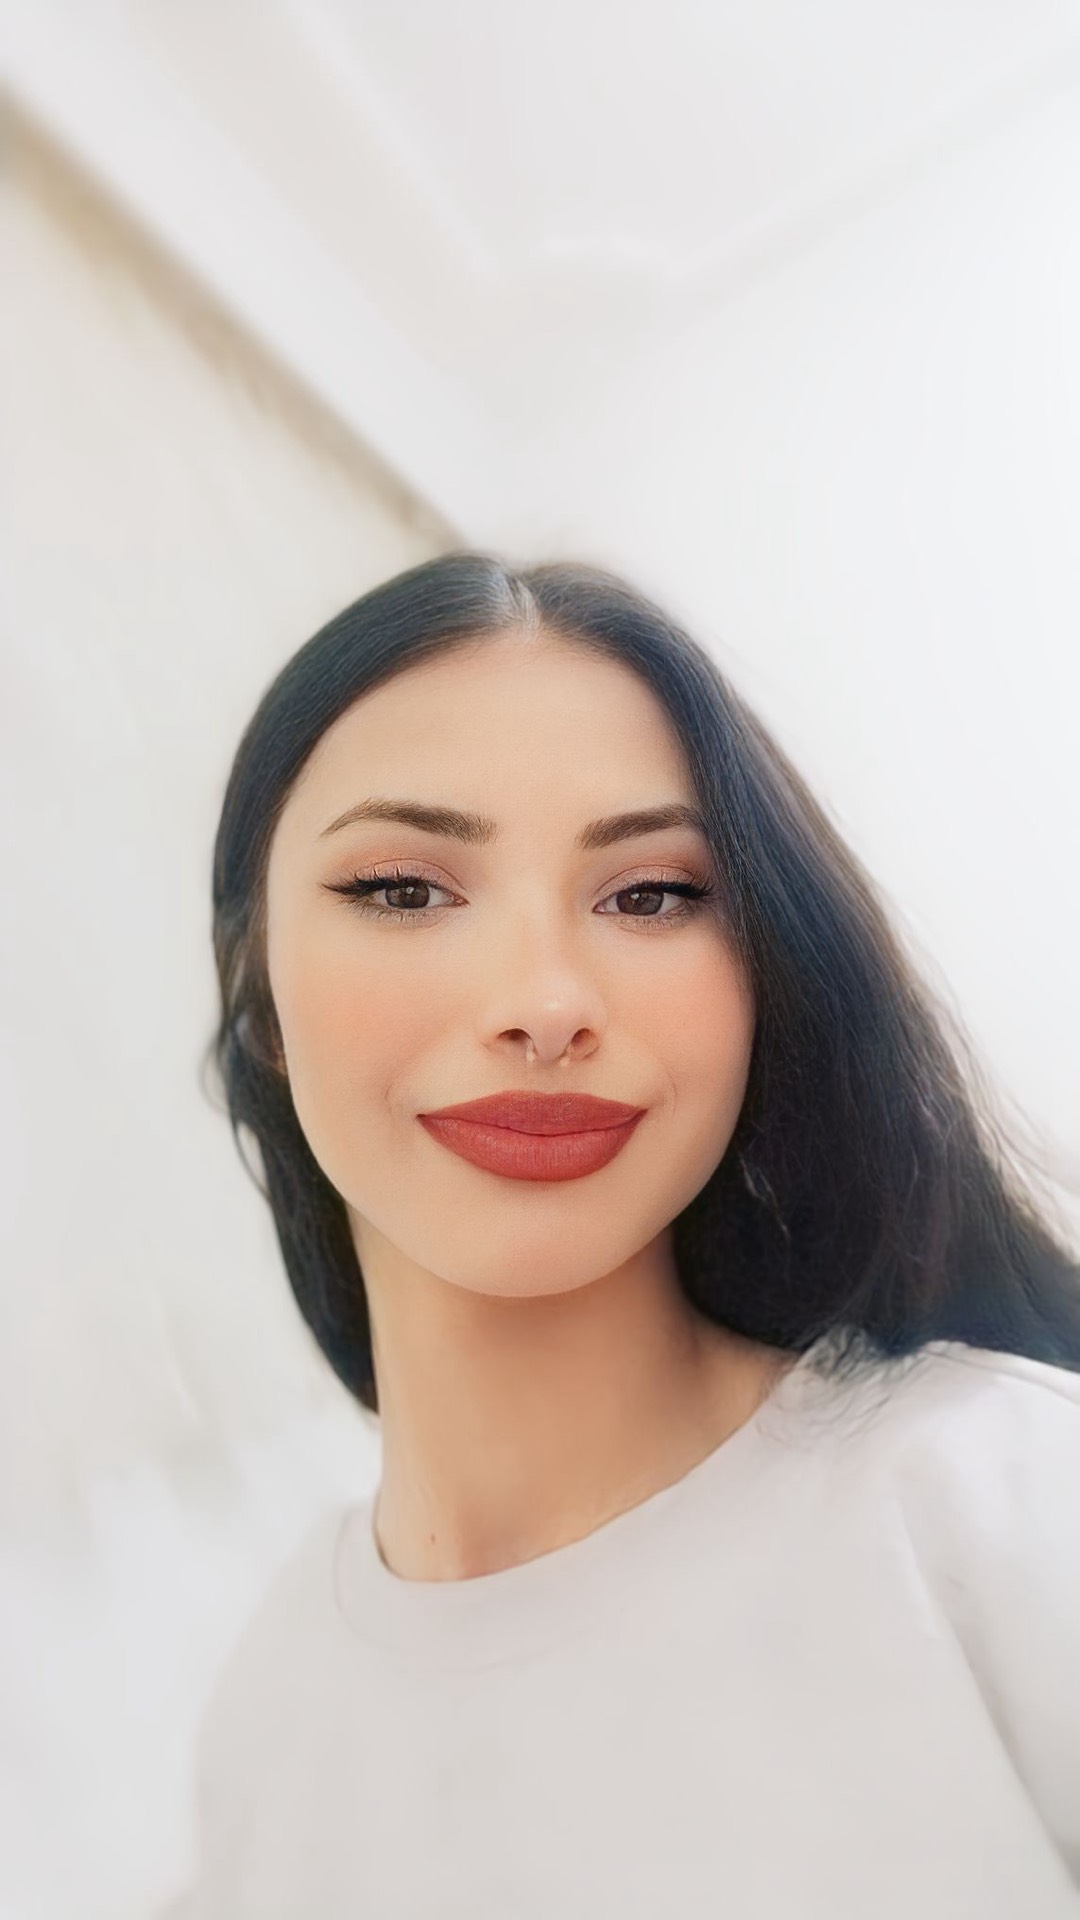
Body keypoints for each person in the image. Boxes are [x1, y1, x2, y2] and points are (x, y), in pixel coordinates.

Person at [161, 552, 1080, 1917]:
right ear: (258, 994)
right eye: (404, 889)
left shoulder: (1008, 1501)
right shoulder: (268, 1715)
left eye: (651, 894)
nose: (545, 1003)